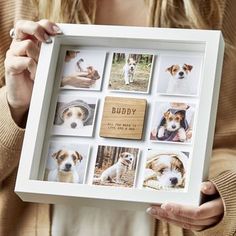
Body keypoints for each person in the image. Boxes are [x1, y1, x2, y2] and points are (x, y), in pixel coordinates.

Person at [1, 0, 236, 235]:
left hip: (159, 223)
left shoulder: (215, 6)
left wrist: (223, 197)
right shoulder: (17, 5)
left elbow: (226, 141)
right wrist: (15, 104)